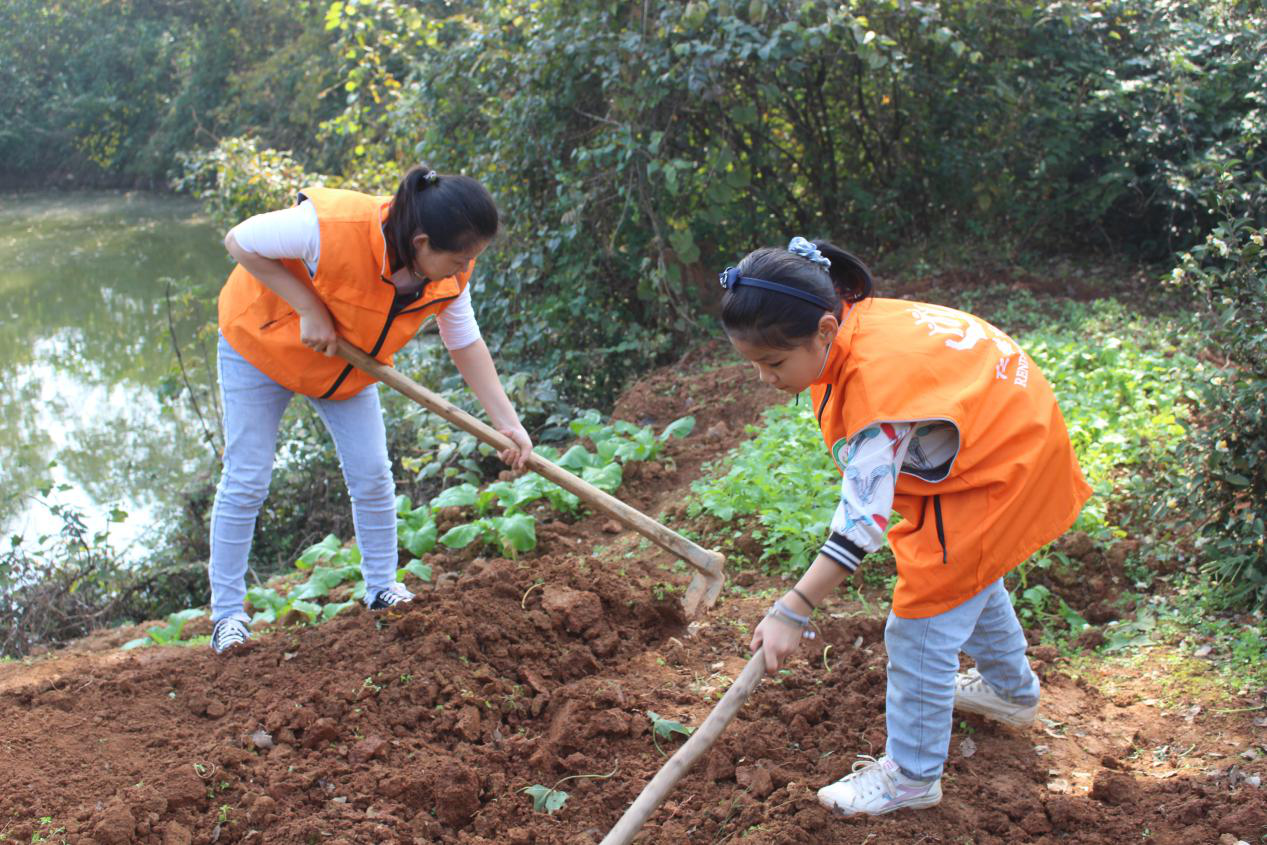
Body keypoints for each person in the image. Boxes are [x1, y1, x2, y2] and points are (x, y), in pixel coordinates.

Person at [724, 237, 1091, 817]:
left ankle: (913, 776)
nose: (766, 380)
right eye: (753, 365)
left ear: (824, 329)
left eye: (773, 363)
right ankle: (1011, 692)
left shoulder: (876, 384)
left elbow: (860, 524)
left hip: (998, 471)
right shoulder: (859, 321)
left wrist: (792, 609)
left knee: (920, 624)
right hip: (1017, 437)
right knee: (965, 574)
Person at [207, 165, 532, 655]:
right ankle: (227, 616)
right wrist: (309, 307)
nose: (465, 268)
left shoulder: (451, 271)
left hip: (347, 365)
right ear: (421, 240)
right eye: (459, 257)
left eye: (473, 257)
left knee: (373, 474)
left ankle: (382, 588)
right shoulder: (333, 226)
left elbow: (463, 339)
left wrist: (507, 423)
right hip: (261, 343)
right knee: (248, 476)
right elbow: (239, 240)